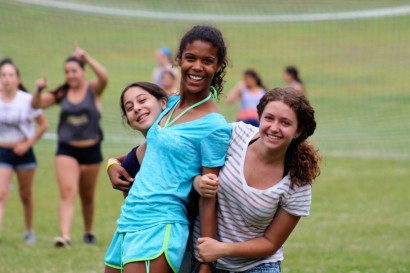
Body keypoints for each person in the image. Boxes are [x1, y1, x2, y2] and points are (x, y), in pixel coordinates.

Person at [104, 25, 231, 273]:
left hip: (162, 224)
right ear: (179, 60)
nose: (197, 67)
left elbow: (209, 194)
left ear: (218, 67)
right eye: (190, 58)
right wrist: (112, 164)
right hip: (129, 220)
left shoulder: (214, 126)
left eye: (207, 61)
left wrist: (206, 263)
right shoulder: (169, 104)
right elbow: (151, 150)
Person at [194, 87, 321, 273]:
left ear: (298, 131)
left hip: (255, 266)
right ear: (260, 116)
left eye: (285, 123)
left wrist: (222, 249)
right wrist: (197, 182)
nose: (274, 128)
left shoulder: (297, 182)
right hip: (200, 253)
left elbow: (270, 243)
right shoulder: (235, 135)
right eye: (269, 118)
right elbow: (184, 161)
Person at [31, 45, 108, 247]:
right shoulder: (61, 93)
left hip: (92, 150)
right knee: (67, 191)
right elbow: (36, 104)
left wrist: (88, 58)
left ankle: (88, 231)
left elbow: (104, 77)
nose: (70, 75)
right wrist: (38, 89)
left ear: (83, 72)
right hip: (67, 150)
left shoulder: (93, 89)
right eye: (67, 72)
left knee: (87, 195)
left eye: (74, 71)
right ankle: (64, 236)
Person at [0, 59, 48, 244]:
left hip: (24, 153)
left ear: (18, 79)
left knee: (25, 194)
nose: (7, 79)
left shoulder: (27, 100)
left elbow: (43, 126)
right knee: (1, 193)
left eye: (10, 75)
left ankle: (29, 231)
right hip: (3, 152)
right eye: (3, 75)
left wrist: (27, 144)